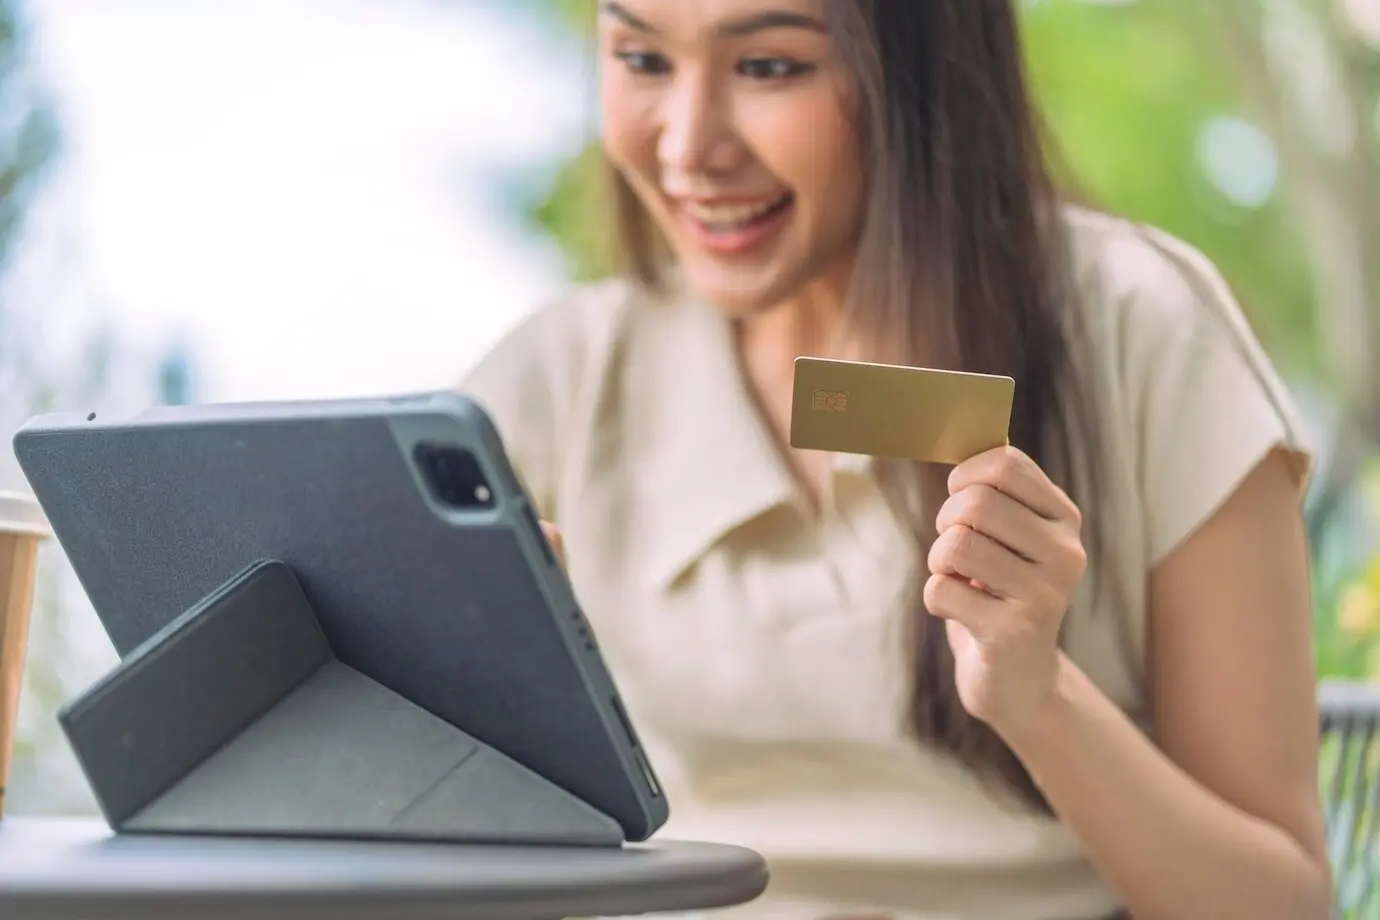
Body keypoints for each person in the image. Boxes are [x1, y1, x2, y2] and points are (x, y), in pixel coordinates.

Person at [459, 2, 1333, 917]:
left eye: (768, 67)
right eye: (642, 59)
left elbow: (1282, 902)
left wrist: (1039, 699)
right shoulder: (564, 373)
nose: (688, 144)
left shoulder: (1140, 330)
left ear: (922, 73)